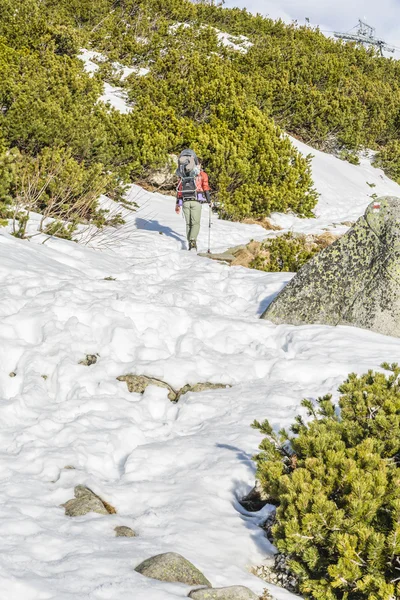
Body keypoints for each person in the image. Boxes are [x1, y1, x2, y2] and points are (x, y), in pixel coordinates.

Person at [175, 154, 211, 251]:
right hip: (196, 201)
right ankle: (192, 241)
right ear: (199, 164)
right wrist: (209, 201)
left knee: (188, 224)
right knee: (195, 223)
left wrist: (178, 204)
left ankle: (189, 242)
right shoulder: (202, 175)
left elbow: (179, 190)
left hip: (185, 201)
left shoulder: (184, 174)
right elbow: (206, 189)